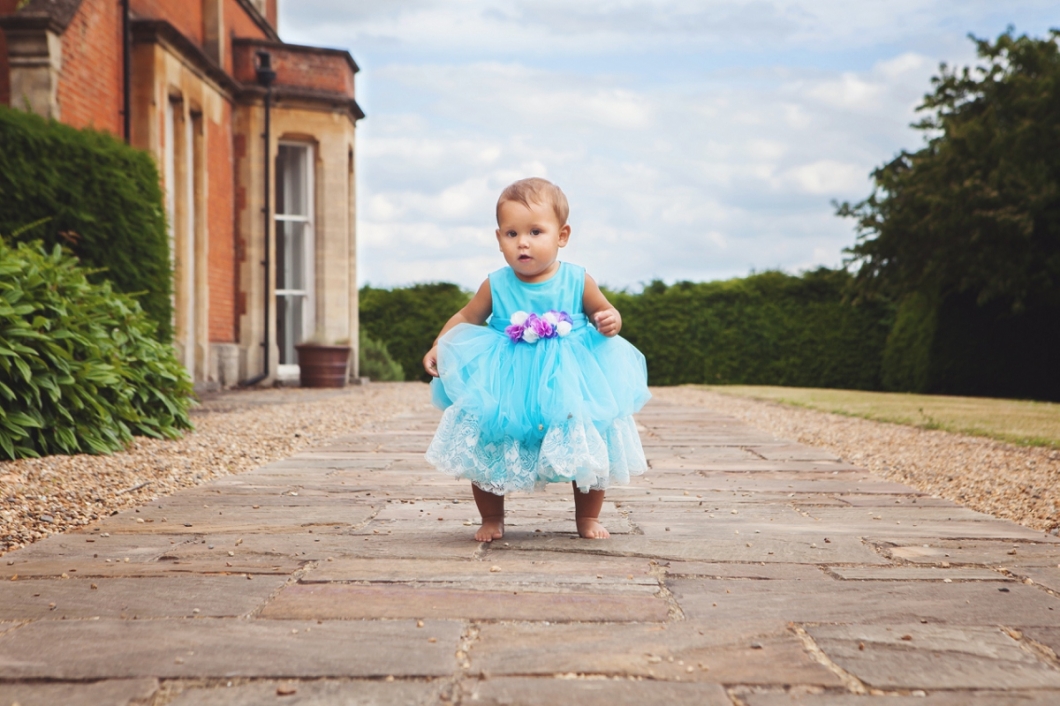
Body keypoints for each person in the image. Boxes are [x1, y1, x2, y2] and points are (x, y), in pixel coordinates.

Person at [423, 177, 650, 542]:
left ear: (562, 235)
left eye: (535, 232)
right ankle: (492, 517)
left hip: (570, 380)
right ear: (499, 239)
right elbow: (467, 318)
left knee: (585, 439)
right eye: (512, 234)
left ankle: (587, 517)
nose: (522, 242)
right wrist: (440, 343)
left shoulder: (578, 280)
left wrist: (611, 320)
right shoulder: (495, 284)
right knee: (489, 441)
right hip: (508, 381)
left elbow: (604, 312)